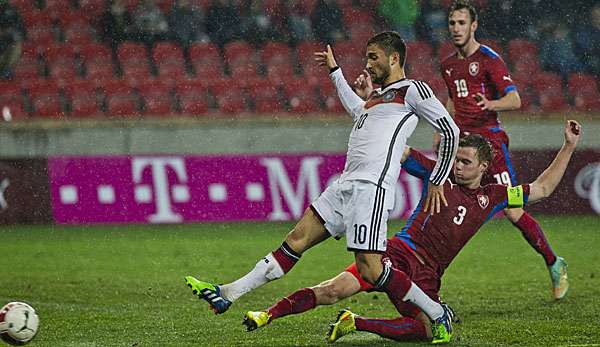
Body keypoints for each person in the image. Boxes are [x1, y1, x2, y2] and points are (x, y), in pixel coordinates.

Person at [185, 31, 460, 343]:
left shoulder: (412, 89)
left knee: (371, 271)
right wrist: (336, 72)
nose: (367, 63)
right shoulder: (378, 97)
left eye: (373, 57)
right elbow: (358, 111)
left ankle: (437, 313)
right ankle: (228, 293)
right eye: (366, 57)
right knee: (296, 239)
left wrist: (437, 179)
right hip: (343, 187)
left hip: (370, 190)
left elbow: (450, 130)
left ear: (394, 58)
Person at [243, 120, 582, 344]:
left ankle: (355, 322)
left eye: (465, 162)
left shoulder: (494, 195)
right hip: (396, 253)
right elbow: (401, 151)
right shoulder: (438, 173)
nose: (458, 166)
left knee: (425, 329)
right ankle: (266, 315)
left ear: (484, 167)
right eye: (456, 160)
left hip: (429, 274)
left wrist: (568, 145)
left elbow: (542, 188)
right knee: (332, 289)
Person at [437, 0, 569, 300]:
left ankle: (553, 262)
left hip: (491, 147)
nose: (456, 29)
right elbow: (451, 101)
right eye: (452, 23)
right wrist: (441, 129)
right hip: (462, 148)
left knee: (511, 209)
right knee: (443, 205)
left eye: (461, 23)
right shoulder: (447, 64)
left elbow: (515, 100)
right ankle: (426, 280)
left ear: (474, 26)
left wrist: (490, 104)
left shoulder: (489, 59)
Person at [0, 0, 25, 79]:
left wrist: (8, 32)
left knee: (17, 44)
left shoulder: (12, 11)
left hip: (7, 42)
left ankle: (6, 69)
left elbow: (21, 30)